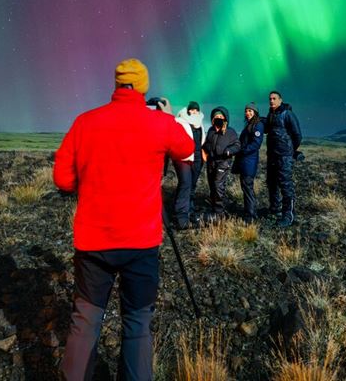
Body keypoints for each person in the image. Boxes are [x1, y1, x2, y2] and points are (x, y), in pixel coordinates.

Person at [53, 58, 193, 380]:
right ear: (143, 87)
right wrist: (169, 116)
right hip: (141, 243)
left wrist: (86, 181)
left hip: (93, 242)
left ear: (116, 84)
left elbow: (62, 179)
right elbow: (186, 149)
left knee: (85, 321)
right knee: (137, 323)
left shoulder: (85, 122)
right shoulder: (160, 123)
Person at [265, 90, 302, 227]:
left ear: (280, 100)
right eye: (270, 99)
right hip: (272, 156)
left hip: (284, 156)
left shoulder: (287, 114)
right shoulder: (271, 115)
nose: (271, 101)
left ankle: (288, 215)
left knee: (286, 185)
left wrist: (290, 150)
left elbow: (297, 135)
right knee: (272, 182)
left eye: (274, 98)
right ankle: (275, 208)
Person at [201, 106, 240, 220]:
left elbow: (237, 145)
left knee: (218, 185)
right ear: (213, 119)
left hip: (223, 162)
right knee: (212, 185)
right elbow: (207, 144)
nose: (218, 118)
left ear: (225, 118)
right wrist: (204, 151)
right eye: (216, 116)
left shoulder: (230, 132)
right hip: (211, 162)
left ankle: (219, 212)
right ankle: (214, 208)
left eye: (220, 116)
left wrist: (229, 151)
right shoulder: (211, 130)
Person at [172, 102, 205, 230]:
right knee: (185, 183)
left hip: (197, 157)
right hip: (183, 158)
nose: (194, 112)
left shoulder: (200, 123)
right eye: (191, 110)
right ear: (188, 110)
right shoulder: (181, 121)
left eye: (196, 110)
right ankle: (181, 216)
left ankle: (189, 210)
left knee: (192, 185)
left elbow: (202, 140)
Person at [232, 102, 264, 222]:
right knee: (246, 187)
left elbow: (256, 144)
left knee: (247, 187)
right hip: (245, 161)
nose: (247, 113)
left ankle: (250, 215)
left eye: (250, 111)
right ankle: (249, 212)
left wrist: (242, 150)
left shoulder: (258, 125)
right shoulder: (250, 125)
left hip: (249, 162)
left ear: (255, 112)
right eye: (246, 111)